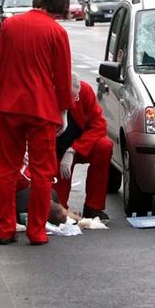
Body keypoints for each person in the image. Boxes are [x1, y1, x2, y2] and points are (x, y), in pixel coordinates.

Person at [0, 0, 73, 246]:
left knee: (7, 168)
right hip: (41, 109)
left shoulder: (10, 26)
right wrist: (63, 111)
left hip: (9, 106)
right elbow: (62, 77)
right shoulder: (57, 32)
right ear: (59, 9)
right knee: (41, 171)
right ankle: (36, 231)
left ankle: (5, 228)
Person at [55, 72, 113, 221]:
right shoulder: (48, 98)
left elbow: (100, 125)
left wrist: (74, 149)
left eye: (76, 97)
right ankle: (62, 209)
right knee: (57, 207)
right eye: (71, 98)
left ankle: (93, 207)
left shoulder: (85, 91)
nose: (74, 102)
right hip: (57, 149)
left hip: (81, 146)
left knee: (104, 146)